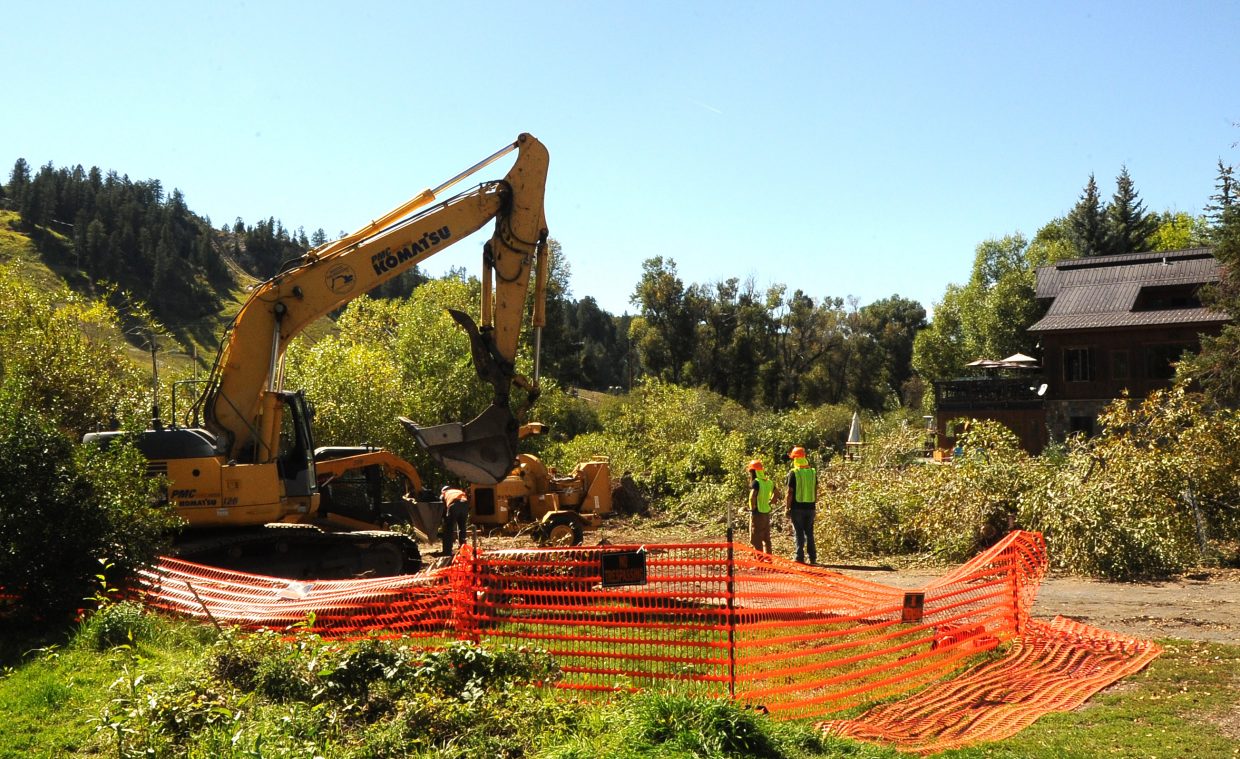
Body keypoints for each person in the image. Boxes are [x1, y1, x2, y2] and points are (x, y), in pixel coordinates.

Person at [784, 446, 817, 564]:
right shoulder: (812, 472)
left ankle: (799, 557)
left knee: (798, 532)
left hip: (797, 508)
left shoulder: (794, 473)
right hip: (811, 507)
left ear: (795, 459)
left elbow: (790, 492)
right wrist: (814, 505)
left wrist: (787, 508)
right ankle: (813, 558)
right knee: (809, 533)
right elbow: (815, 489)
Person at [746, 459, 776, 554]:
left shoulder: (756, 482)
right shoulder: (769, 482)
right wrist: (770, 502)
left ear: (753, 472)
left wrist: (753, 507)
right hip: (766, 513)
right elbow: (777, 493)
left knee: (755, 539)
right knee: (766, 538)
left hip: (757, 513)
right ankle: (769, 560)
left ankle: (759, 561)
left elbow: (752, 496)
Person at [440, 485, 470, 556]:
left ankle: (447, 552)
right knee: (462, 528)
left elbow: (442, 508)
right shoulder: (458, 491)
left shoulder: (444, 493)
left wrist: (444, 519)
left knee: (448, 530)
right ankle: (463, 550)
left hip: (454, 505)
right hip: (465, 505)